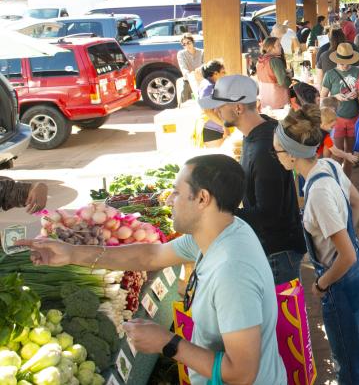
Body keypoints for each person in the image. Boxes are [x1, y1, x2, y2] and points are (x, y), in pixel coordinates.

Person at [19, 154, 287, 384]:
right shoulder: (225, 229)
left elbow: (242, 374)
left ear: (202, 198)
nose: (169, 199)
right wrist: (72, 253)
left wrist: (168, 344)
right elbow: (150, 255)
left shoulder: (232, 272)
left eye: (178, 192)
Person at [273, 106, 359, 384]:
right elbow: (357, 202)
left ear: (292, 154)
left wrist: (321, 285)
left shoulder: (318, 193)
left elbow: (345, 257)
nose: (275, 156)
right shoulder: (329, 166)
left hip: (340, 282)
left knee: (347, 362)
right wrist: (343, 234)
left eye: (277, 151)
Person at [198, 75, 306, 284]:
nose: (216, 111)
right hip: (275, 248)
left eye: (220, 106)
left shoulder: (264, 150)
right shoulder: (260, 129)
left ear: (238, 108)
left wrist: (217, 213)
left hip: (277, 253)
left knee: (280, 316)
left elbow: (267, 214)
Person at [320, 43, 359, 177]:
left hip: (354, 117)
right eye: (342, 62)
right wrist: (335, 97)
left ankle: (346, 180)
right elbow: (322, 98)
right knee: (337, 153)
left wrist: (358, 94)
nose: (345, 65)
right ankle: (335, 179)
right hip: (336, 119)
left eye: (347, 62)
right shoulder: (330, 74)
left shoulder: (357, 71)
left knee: (349, 153)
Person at [255, 37, 291, 109]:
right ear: (271, 48)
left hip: (265, 101)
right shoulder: (275, 61)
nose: (281, 47)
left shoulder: (259, 61)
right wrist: (289, 77)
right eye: (278, 45)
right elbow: (283, 82)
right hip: (278, 101)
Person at [197, 60, 227, 146]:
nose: (225, 74)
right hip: (212, 130)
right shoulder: (208, 87)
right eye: (223, 72)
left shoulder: (210, 84)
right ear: (215, 73)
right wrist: (224, 125)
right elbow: (207, 110)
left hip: (214, 129)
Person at [176, 33, 204, 105]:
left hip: (201, 79)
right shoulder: (181, 54)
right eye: (184, 44)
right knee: (184, 97)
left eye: (188, 43)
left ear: (193, 42)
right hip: (189, 79)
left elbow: (204, 66)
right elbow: (183, 68)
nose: (187, 45)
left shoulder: (202, 52)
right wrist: (190, 76)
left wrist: (198, 75)